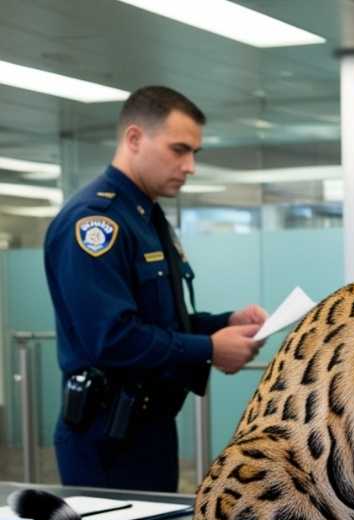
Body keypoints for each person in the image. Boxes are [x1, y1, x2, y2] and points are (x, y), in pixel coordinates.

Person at [44, 86, 266, 492]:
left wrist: (224, 323)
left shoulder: (146, 218)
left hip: (151, 430)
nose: (190, 165)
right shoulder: (96, 223)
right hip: (106, 440)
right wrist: (212, 349)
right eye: (179, 149)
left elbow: (161, 322)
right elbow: (112, 339)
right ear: (134, 139)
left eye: (195, 153)